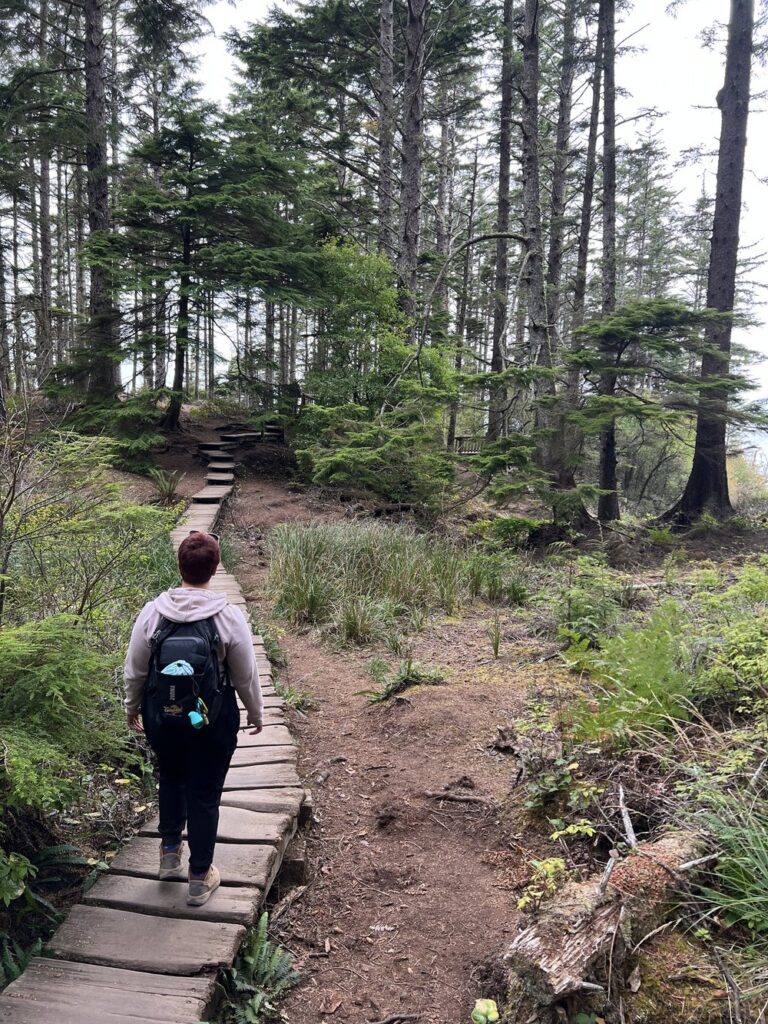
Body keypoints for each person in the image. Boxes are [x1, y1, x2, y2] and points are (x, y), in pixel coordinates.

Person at [123, 530, 263, 906]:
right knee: (204, 793)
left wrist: (132, 706)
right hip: (212, 721)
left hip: (162, 718)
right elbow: (246, 674)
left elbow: (135, 669)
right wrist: (255, 712)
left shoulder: (153, 612)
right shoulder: (228, 616)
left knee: (170, 777)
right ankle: (200, 876)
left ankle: (169, 855)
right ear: (215, 568)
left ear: (179, 565)